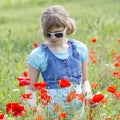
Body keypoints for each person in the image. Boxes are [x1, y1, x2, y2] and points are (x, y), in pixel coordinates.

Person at [26, 5, 96, 119]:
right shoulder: (38, 55)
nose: (53, 38)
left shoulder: (79, 49)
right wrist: (34, 109)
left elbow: (85, 81)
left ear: (66, 28)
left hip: (77, 114)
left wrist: (89, 97)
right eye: (48, 34)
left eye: (58, 34)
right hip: (52, 114)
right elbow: (30, 88)